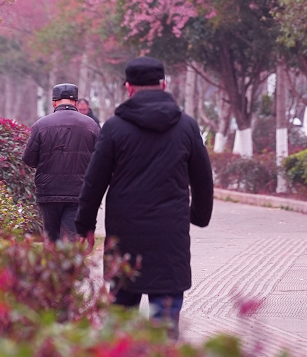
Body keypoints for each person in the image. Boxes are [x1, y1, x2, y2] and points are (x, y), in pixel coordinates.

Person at [75, 57, 213, 339]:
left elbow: (94, 181)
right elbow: (203, 179)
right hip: (170, 236)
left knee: (121, 321)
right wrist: (199, 216)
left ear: (128, 88)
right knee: (165, 325)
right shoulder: (186, 126)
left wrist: (85, 226)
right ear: (164, 85)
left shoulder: (114, 128)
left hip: (125, 237)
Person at [23, 83, 99, 243]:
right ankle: (71, 267)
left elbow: (28, 158)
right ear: (76, 103)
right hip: (78, 192)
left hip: (48, 192)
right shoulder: (91, 125)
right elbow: (99, 160)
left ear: (54, 102)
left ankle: (52, 268)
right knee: (71, 241)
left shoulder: (40, 125)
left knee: (51, 241)